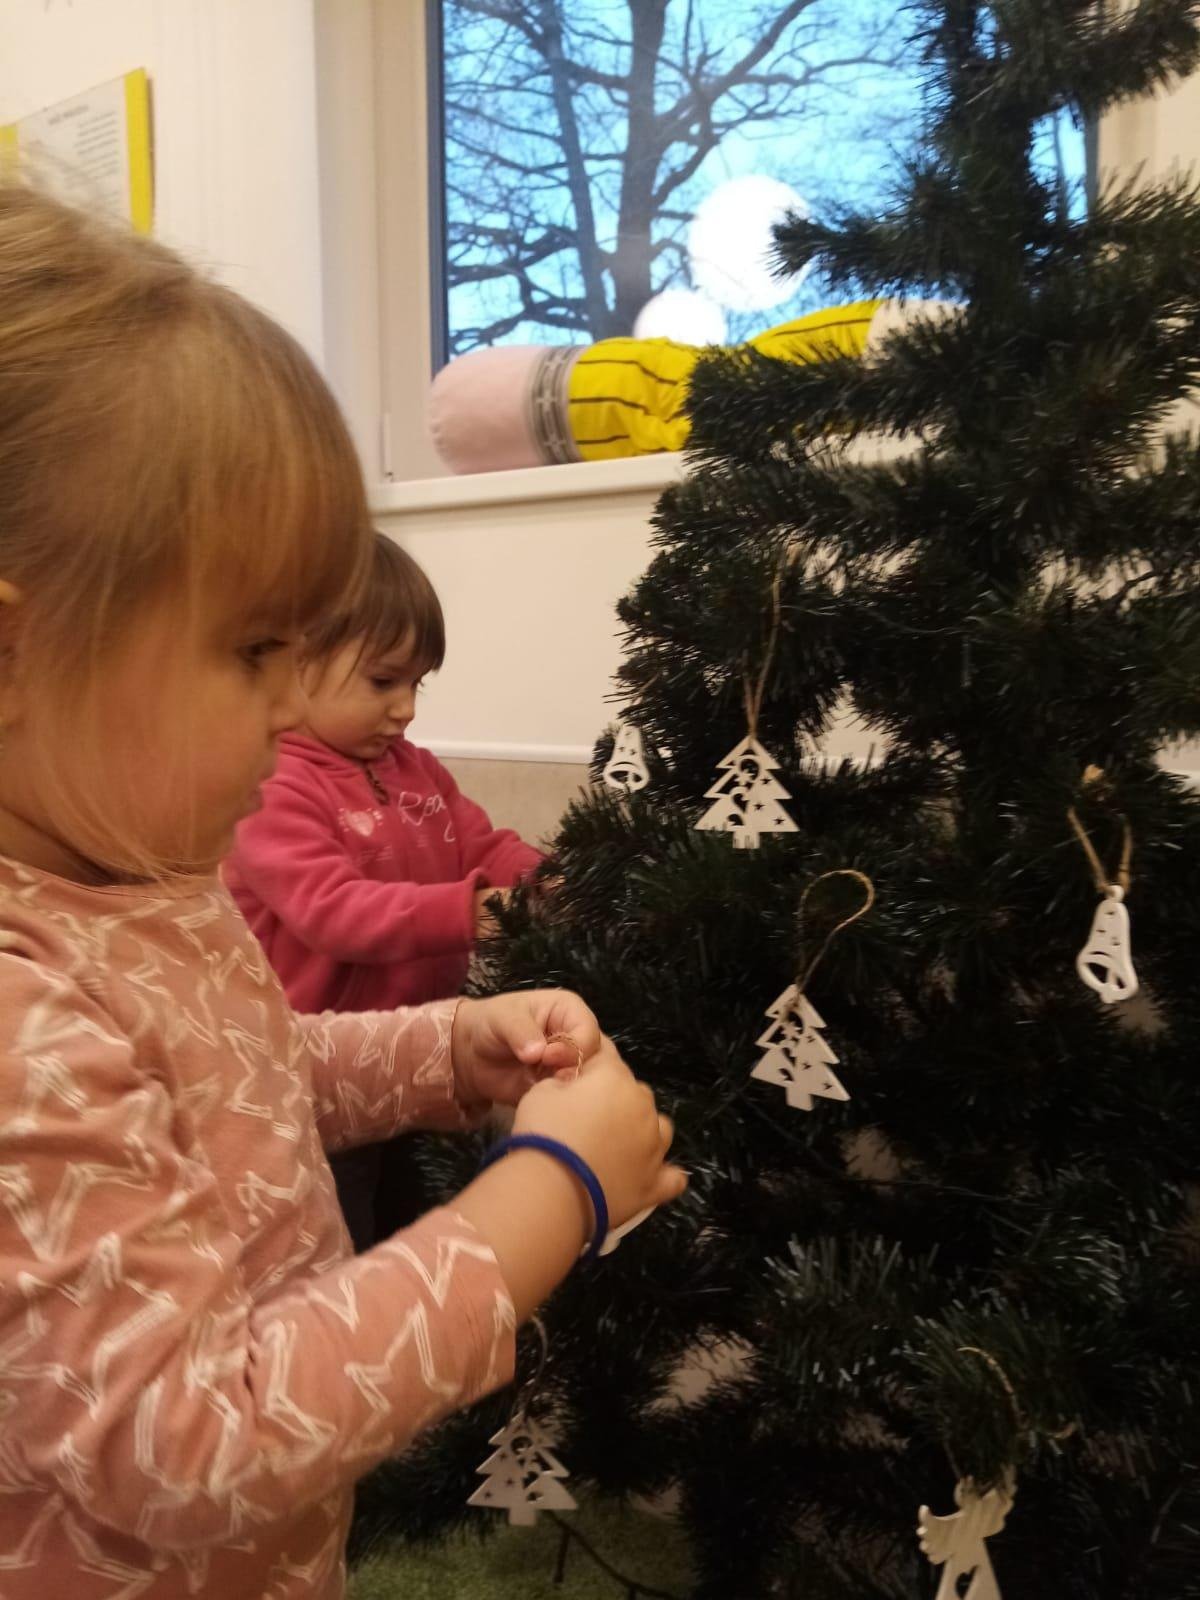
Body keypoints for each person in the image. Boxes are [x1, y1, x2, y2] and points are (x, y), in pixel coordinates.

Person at [0, 183, 686, 1600]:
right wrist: (546, 1197)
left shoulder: (143, 875)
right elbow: (185, 1441)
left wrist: (445, 1052)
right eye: (256, 651)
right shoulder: (17, 1002)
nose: (291, 707)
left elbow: (238, 1076)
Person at [225, 533, 544, 1247]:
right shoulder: (269, 783)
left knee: (427, 1222)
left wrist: (542, 877)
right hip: (327, 1082)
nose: (406, 709)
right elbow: (332, 910)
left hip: (431, 1052)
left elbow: (482, 844)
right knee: (350, 1242)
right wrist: (467, 912)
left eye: (416, 684)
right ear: (295, 666)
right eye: (383, 682)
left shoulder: (416, 769)